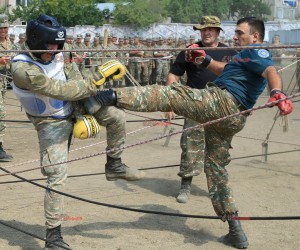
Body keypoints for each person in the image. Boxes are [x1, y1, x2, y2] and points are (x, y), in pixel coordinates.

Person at [90, 17, 294, 249]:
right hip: (233, 117)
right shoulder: (242, 56)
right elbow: (225, 69)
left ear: (255, 36)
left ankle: (107, 97)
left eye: (240, 33)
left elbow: (271, 70)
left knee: (171, 94)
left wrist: (277, 91)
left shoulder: (259, 51)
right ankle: (235, 229)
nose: (235, 36)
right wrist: (205, 60)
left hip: (222, 102)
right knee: (216, 169)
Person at [10, 14, 145, 249]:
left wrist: (90, 99)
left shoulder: (58, 52)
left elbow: (72, 76)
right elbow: (59, 89)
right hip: (50, 121)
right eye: (49, 45)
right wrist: (98, 78)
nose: (54, 50)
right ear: (34, 40)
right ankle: (53, 238)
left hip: (74, 102)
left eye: (57, 45)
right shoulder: (23, 68)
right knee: (56, 176)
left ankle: (114, 164)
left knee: (116, 117)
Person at [165, 16, 237, 204]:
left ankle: (217, 188)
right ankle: (186, 185)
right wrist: (171, 102)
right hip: (195, 104)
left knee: (219, 148)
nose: (206, 32)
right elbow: (174, 74)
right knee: (190, 145)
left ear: (218, 31)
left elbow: (238, 78)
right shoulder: (190, 51)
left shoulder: (228, 51)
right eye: (203, 29)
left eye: (210, 29)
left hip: (220, 106)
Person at [0, 14, 14, 162]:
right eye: (1, 28)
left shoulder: (10, 44)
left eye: (5, 28)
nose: (3, 31)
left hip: (4, 84)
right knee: (1, 114)